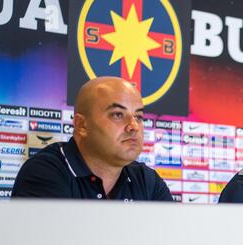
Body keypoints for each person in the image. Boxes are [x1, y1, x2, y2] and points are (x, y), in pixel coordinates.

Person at [12, 76, 172, 201]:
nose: (134, 126)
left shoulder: (147, 180)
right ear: (81, 125)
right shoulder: (45, 172)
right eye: (118, 115)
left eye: (138, 117)